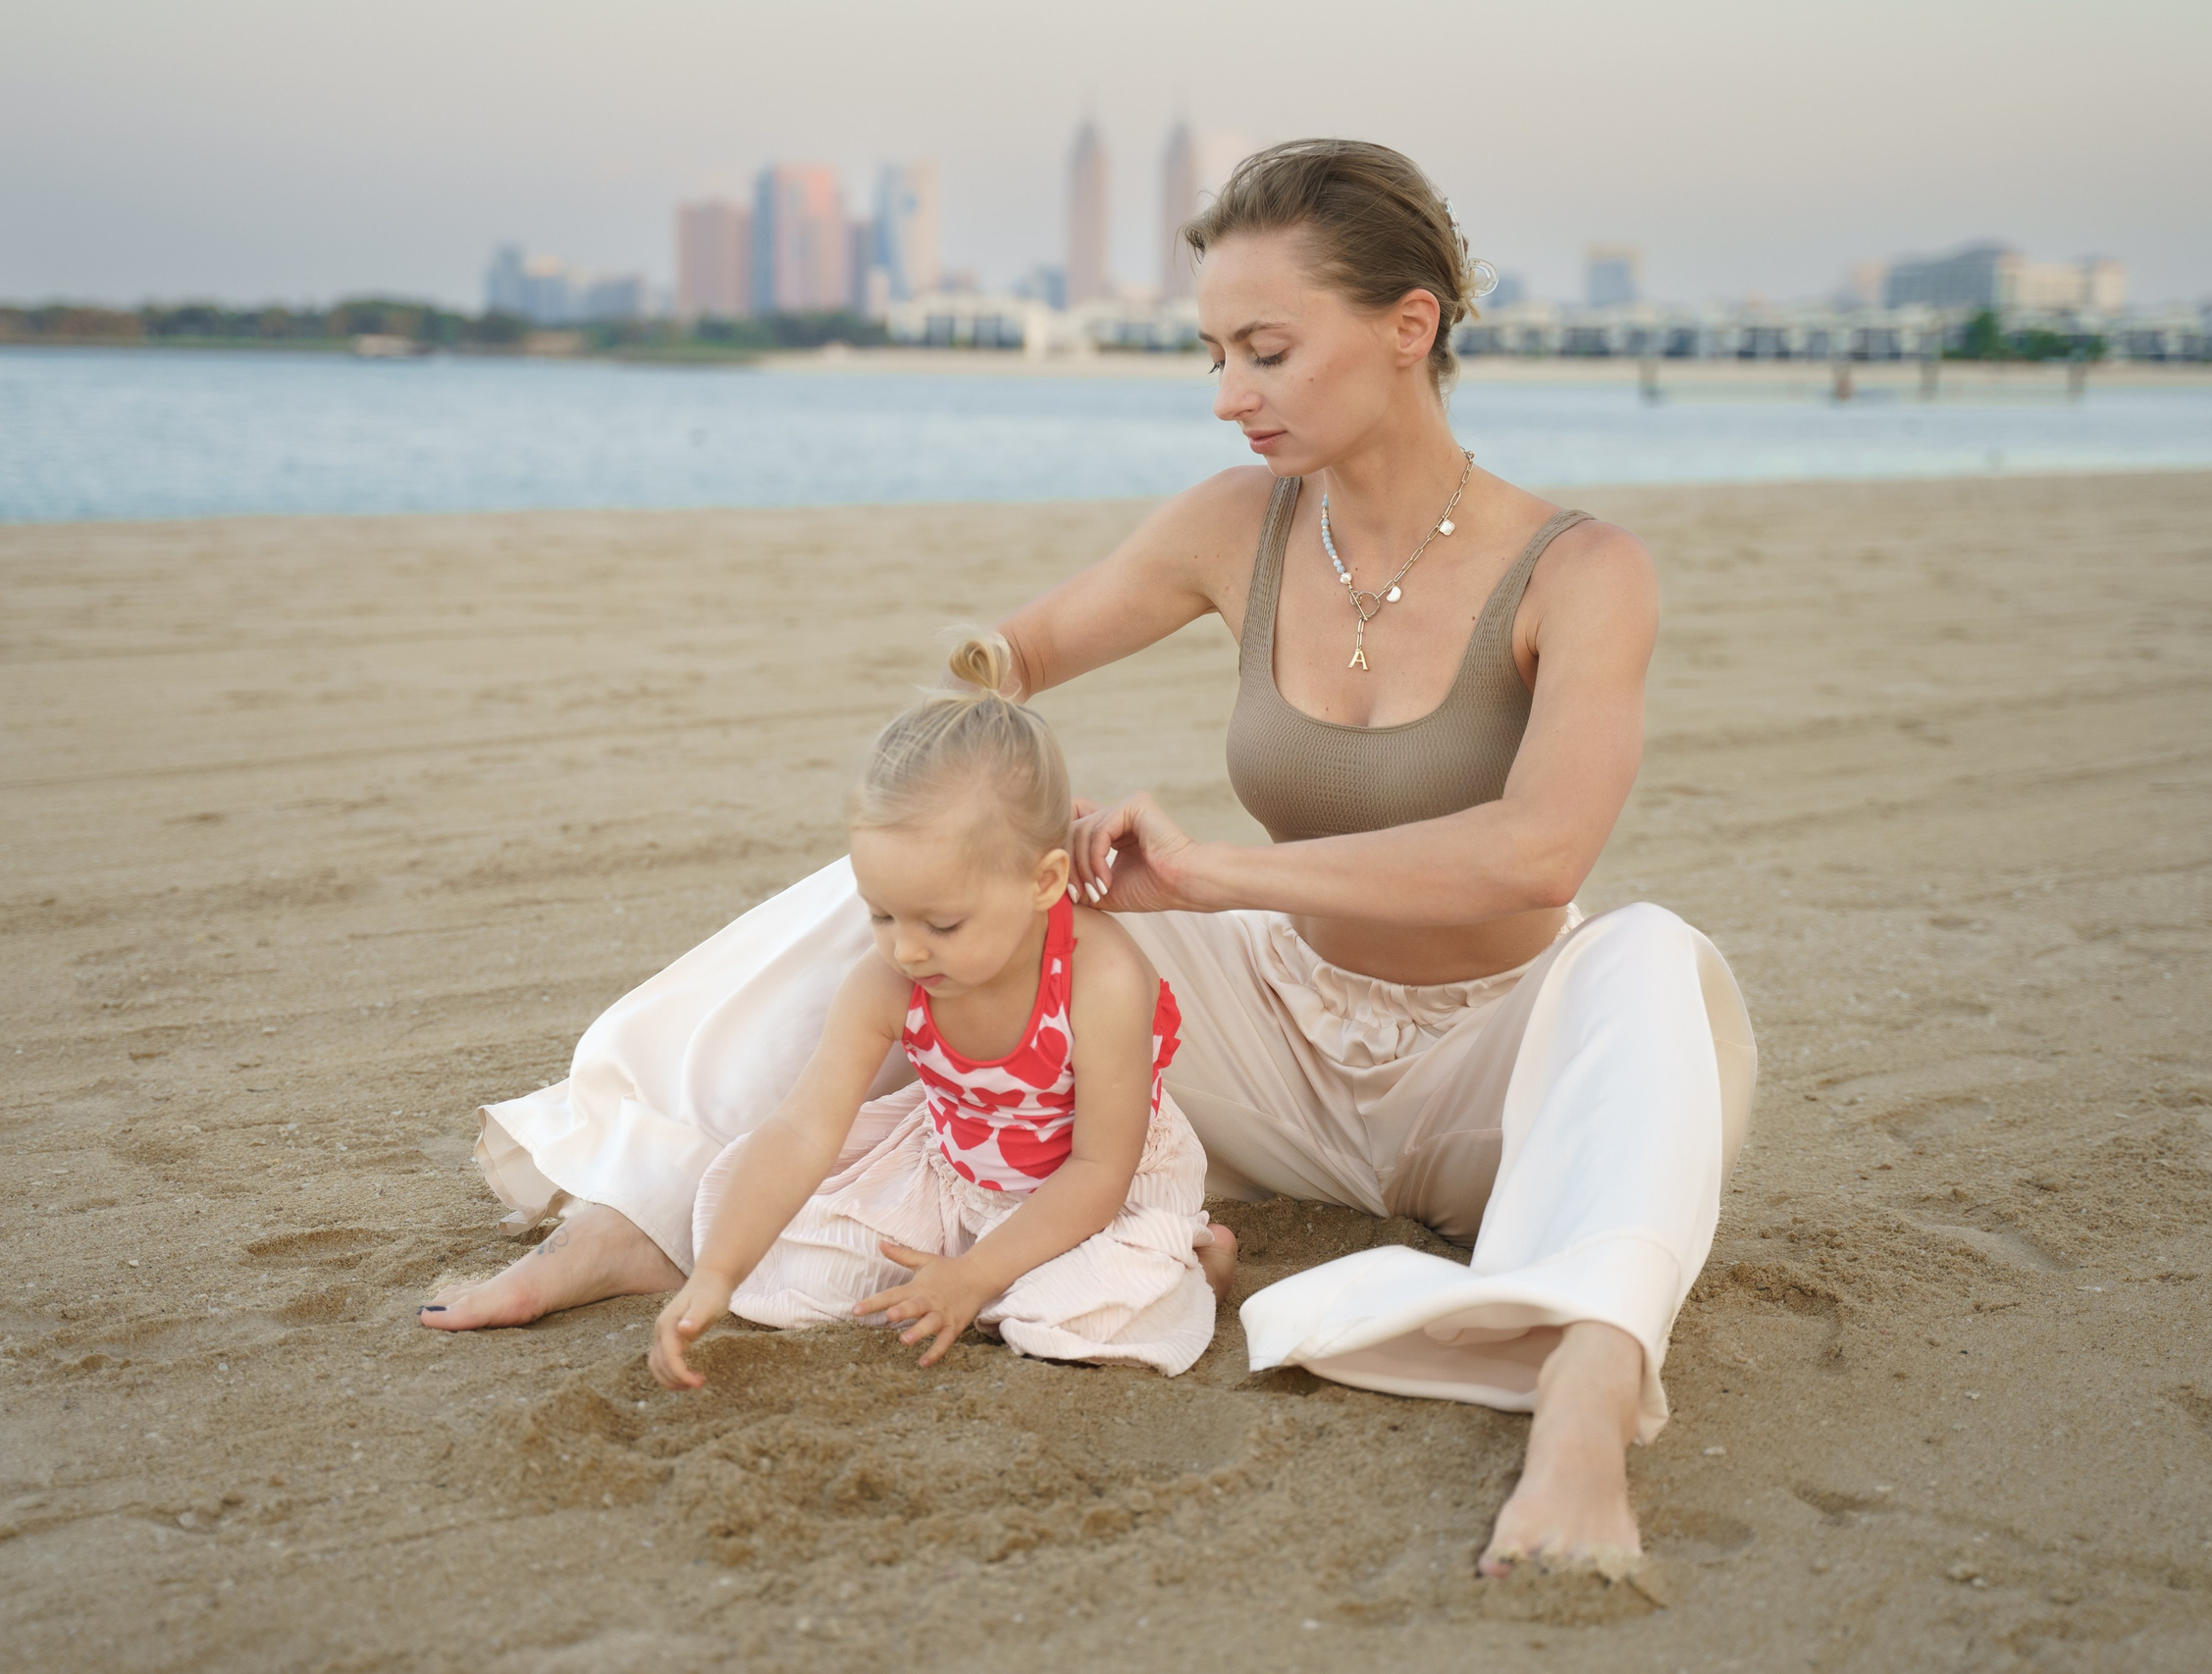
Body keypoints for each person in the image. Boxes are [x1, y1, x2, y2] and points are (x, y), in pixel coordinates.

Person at [421, 138, 1753, 1581]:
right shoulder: (1236, 522)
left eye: (1268, 350)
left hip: (1493, 1079)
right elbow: (1022, 655)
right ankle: (652, 1209)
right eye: (1213, 357)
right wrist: (973, 720)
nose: (1233, 394)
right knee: (930, 892)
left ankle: (1581, 1415)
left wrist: (1221, 875)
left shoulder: (1581, 569)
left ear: (1408, 325)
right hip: (1276, 1053)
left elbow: (1538, 847)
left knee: (1654, 958)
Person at [439, 633, 1235, 1386]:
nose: (907, 950)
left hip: (1098, 1191)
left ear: (1044, 882)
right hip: (957, 1176)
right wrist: (717, 1274)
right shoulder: (889, 982)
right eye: (881, 915)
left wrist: (973, 1276)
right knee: (790, 1278)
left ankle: (1192, 1255)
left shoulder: (1100, 979)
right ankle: (993, 1276)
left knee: (1059, 1326)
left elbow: (1101, 1169)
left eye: (941, 923)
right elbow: (801, 1130)